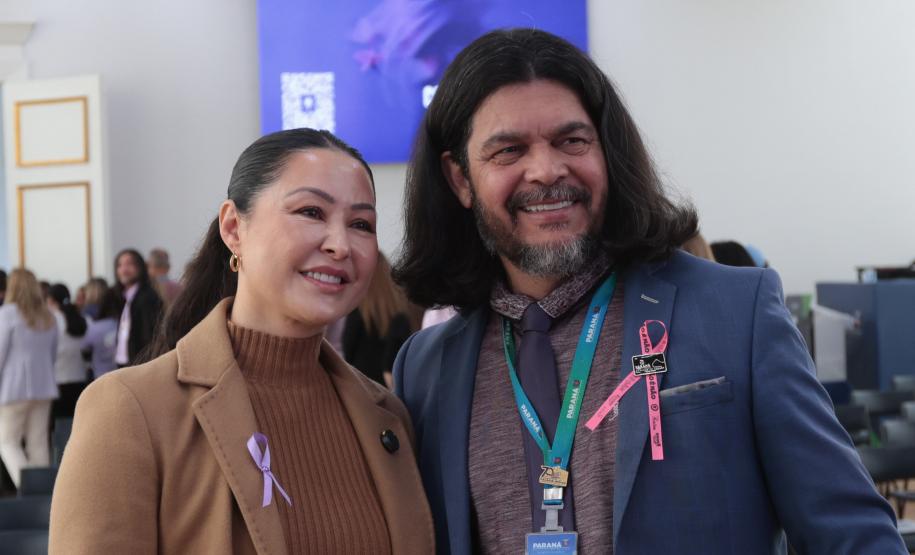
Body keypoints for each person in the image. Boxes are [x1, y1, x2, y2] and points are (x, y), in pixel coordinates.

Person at [391, 28, 904, 554]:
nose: (546, 170)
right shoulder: (426, 368)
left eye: (572, 141)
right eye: (509, 150)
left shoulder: (734, 311)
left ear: (606, 153)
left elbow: (852, 536)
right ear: (459, 179)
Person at [50, 128, 434, 554]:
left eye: (361, 224)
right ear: (233, 227)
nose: (340, 245)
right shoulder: (130, 410)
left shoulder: (387, 418)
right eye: (311, 212)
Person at [0, 269, 58, 488]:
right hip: (44, 387)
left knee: (7, 442)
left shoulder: (6, 314)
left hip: (12, 389)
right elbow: (52, 355)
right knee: (38, 443)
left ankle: (27, 488)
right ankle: (43, 494)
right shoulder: (48, 315)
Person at [342, 253, 414, 388]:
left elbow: (348, 349)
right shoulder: (401, 314)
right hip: (390, 390)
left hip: (362, 387)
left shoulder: (358, 311)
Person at [112, 248, 163, 366]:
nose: (124, 270)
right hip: (125, 363)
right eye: (120, 265)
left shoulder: (147, 298)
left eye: (129, 264)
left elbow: (150, 335)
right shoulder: (124, 297)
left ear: (140, 267)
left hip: (141, 364)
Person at [47, 284, 89, 420]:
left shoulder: (52, 319)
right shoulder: (80, 317)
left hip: (58, 379)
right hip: (80, 377)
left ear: (51, 300)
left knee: (60, 428)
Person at [80, 288, 120, 379]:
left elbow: (84, 348)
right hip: (123, 373)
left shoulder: (95, 327)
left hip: (100, 375)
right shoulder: (124, 324)